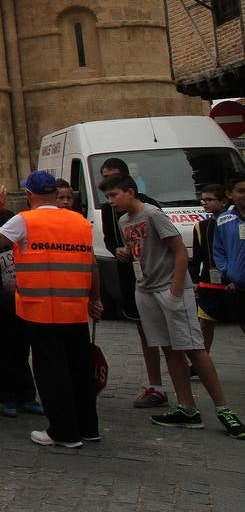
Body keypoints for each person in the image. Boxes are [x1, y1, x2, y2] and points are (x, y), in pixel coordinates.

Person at [102, 174, 244, 438]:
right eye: (108, 196)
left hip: (169, 288)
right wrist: (124, 252)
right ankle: (186, 408)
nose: (110, 201)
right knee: (169, 348)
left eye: (114, 195)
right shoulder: (124, 221)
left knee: (193, 347)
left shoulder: (153, 214)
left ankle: (224, 409)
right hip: (145, 289)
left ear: (130, 192)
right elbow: (139, 250)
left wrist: (177, 289)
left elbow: (179, 250)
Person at [0, 173, 102, 447]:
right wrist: (95, 298)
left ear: (29, 194)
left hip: (41, 309)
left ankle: (63, 432)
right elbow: (93, 264)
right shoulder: (79, 221)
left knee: (51, 372)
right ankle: (88, 427)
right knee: (79, 370)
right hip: (74, 308)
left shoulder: (26, 219)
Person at [98, 157, 167, 407]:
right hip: (130, 274)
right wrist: (117, 249)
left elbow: (172, 245)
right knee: (144, 330)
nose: (108, 183)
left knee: (166, 335)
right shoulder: (110, 210)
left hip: (158, 277)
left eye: (112, 177)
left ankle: (169, 387)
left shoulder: (148, 207)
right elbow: (108, 237)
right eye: (104, 177)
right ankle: (155, 384)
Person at [0, 209, 41, 417]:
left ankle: (27, 396)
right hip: (3, 312)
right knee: (5, 354)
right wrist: (9, 303)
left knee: (22, 354)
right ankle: (8, 397)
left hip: (23, 309)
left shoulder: (18, 249)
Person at [191, 184, 239, 351]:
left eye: (210, 199)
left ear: (224, 201)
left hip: (234, 282)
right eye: (203, 199)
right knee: (204, 324)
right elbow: (197, 257)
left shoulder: (235, 224)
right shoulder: (200, 227)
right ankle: (201, 364)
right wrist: (195, 280)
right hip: (208, 283)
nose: (205, 203)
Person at [216, 176, 245, 330]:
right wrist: (230, 274)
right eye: (241, 191)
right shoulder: (224, 220)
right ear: (229, 194)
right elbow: (219, 251)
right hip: (239, 286)